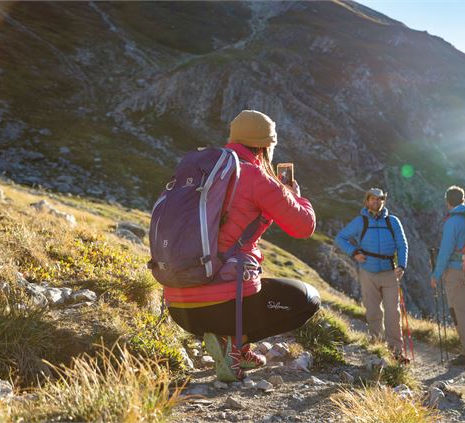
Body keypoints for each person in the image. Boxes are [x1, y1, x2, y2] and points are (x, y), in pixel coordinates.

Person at [164, 110, 320, 382]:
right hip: (224, 307)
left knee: (241, 276)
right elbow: (303, 226)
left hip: (179, 305)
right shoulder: (258, 178)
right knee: (307, 299)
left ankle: (235, 346)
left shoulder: (203, 170)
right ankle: (234, 344)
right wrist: (296, 196)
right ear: (265, 146)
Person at [334, 188, 409, 362]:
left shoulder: (393, 221)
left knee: (393, 313)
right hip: (368, 272)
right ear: (366, 201)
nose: (377, 202)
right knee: (373, 312)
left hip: (390, 271)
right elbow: (340, 238)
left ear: (384, 201)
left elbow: (402, 244)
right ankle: (377, 348)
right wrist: (353, 252)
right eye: (373, 199)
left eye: (380, 199)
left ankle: (396, 352)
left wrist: (402, 265)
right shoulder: (360, 221)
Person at [430, 186, 465, 365]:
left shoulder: (452, 221)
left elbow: (445, 251)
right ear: (463, 199)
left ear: (448, 202)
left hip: (455, 269)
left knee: (458, 310)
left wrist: (436, 274)